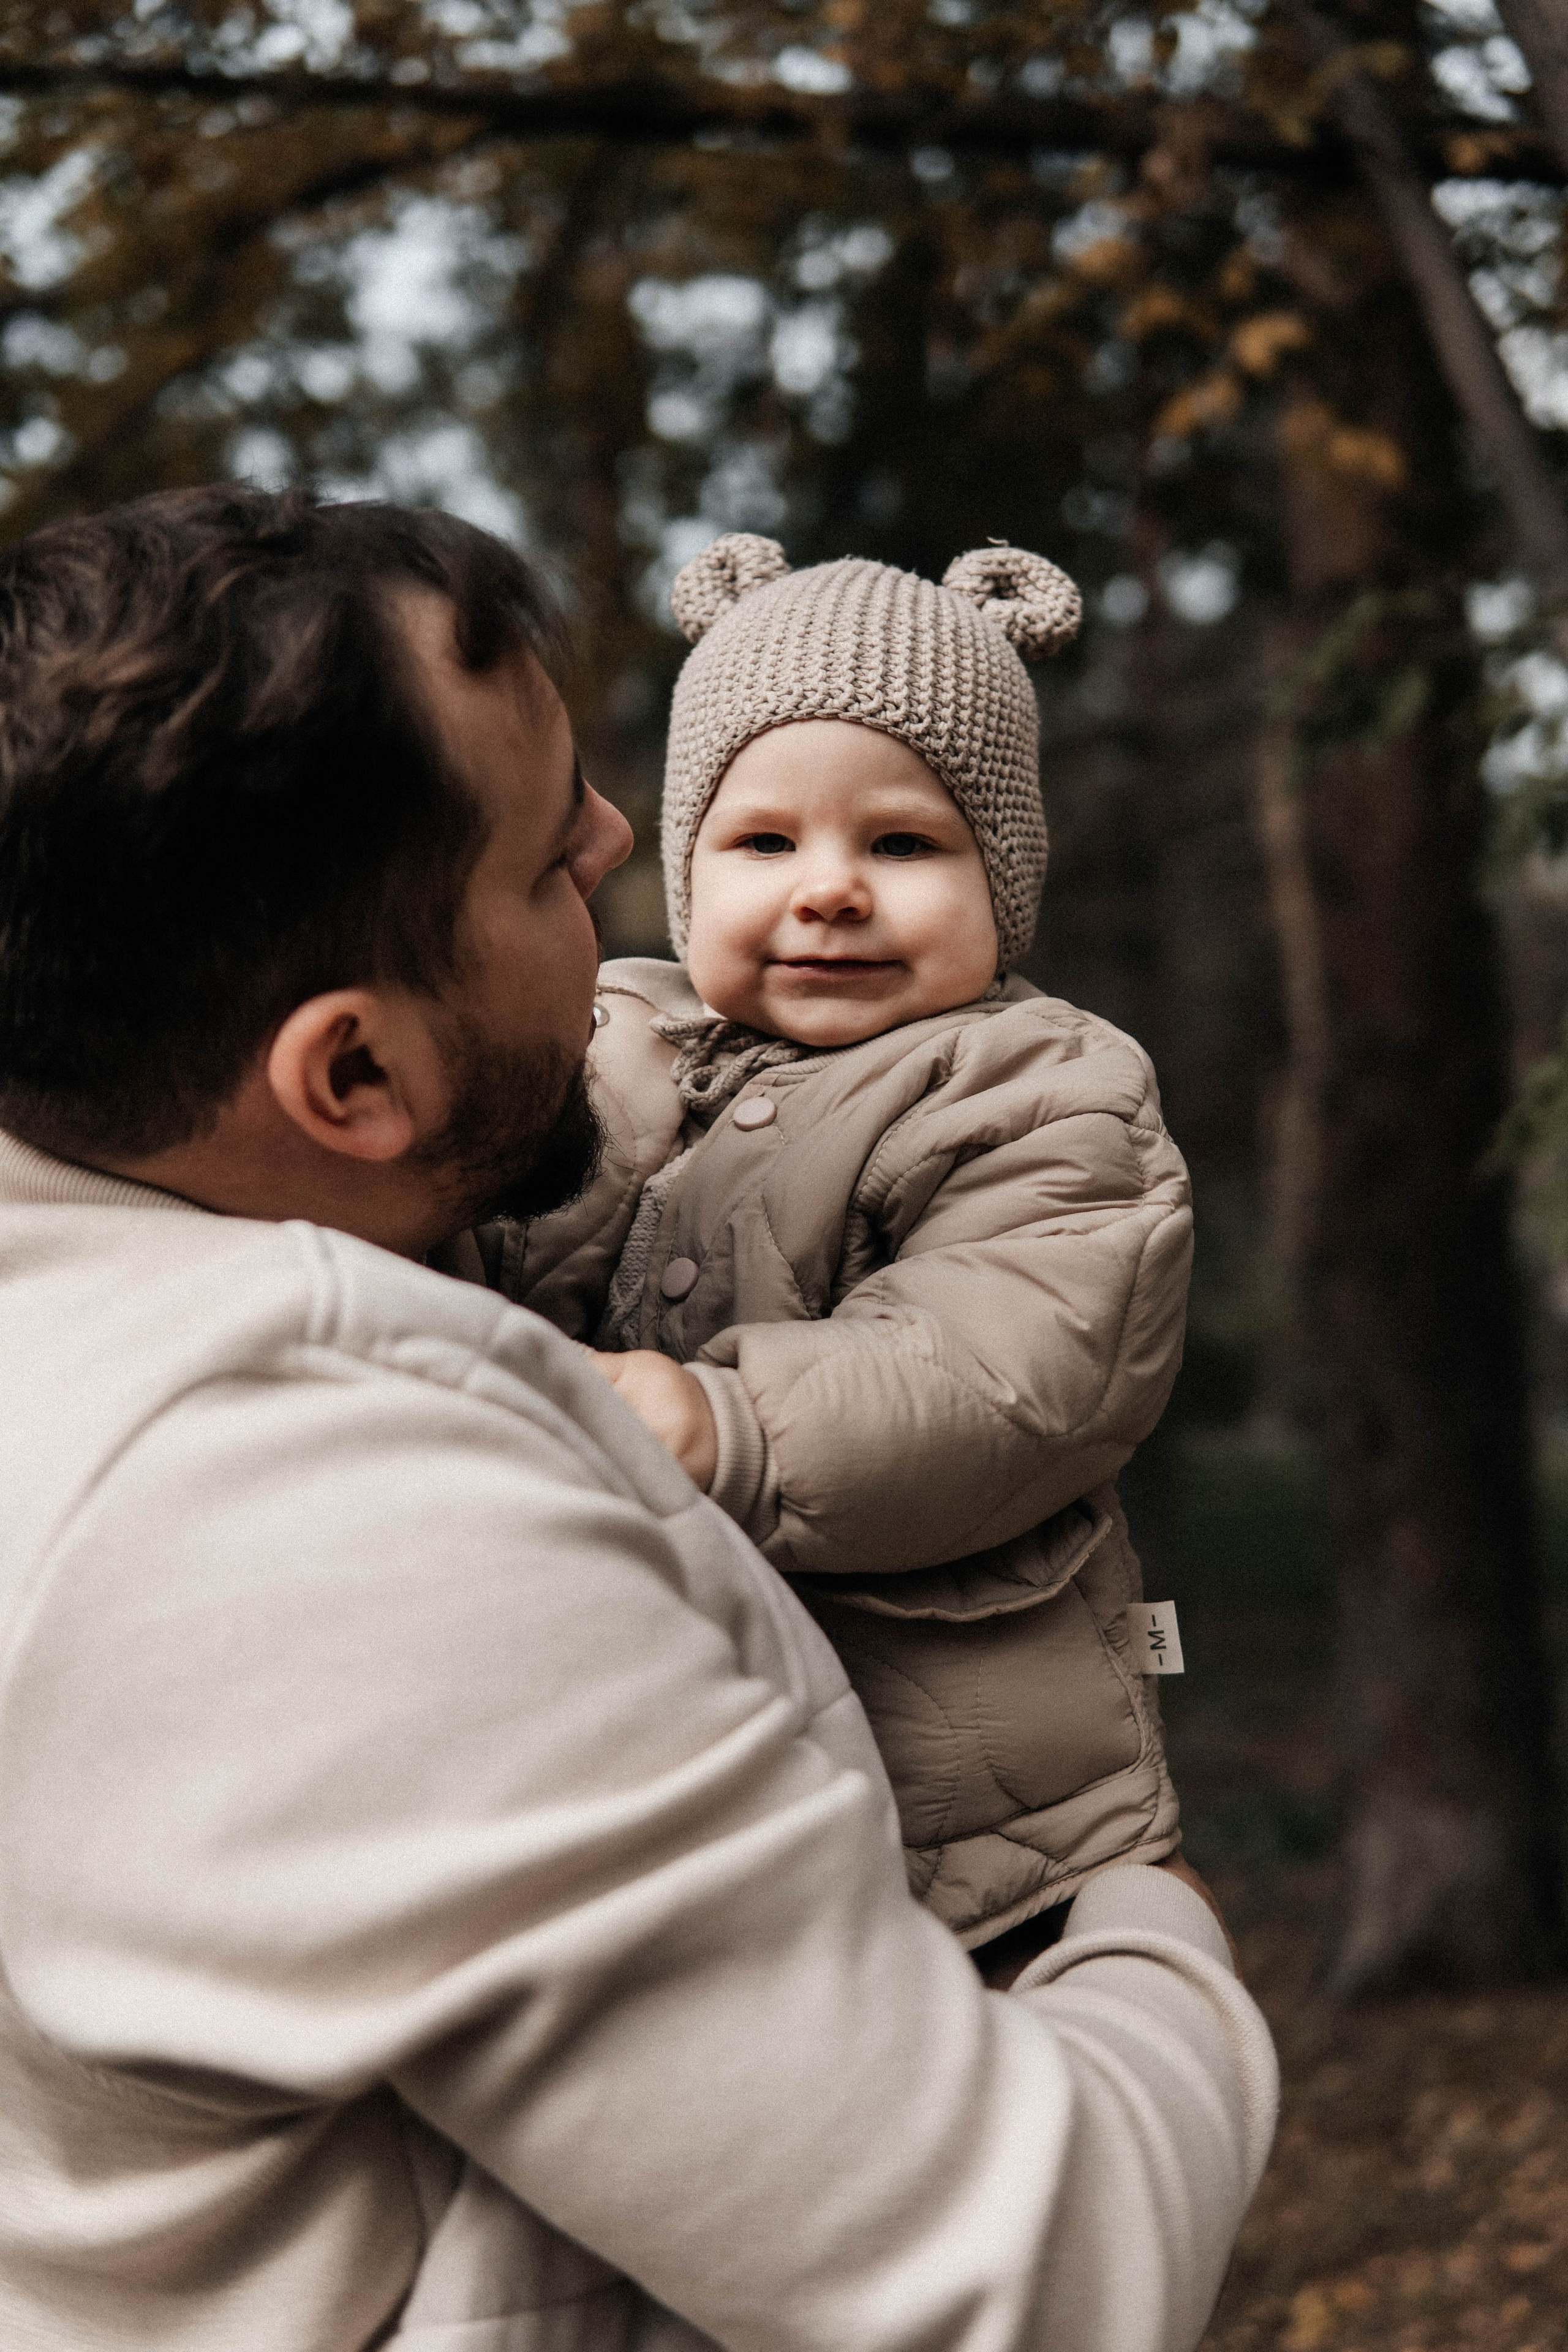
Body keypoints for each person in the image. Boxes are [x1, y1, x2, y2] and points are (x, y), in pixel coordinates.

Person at [0, 484, 1276, 2352]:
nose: (621, 841)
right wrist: (1157, 1936)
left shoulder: (108, 1285)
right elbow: (1040, 2278)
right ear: (352, 1071)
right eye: (543, 867)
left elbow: (1001, 1355)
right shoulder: (333, 1531)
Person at [505, 532, 1189, 1951]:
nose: (827, 887)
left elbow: (1002, 1371)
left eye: (899, 842)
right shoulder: (610, 1046)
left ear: (1000, 875)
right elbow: (495, 1235)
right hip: (666, 1773)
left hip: (979, 1840)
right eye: (764, 841)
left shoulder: (1040, 1087)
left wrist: (729, 1421)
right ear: (690, 865)